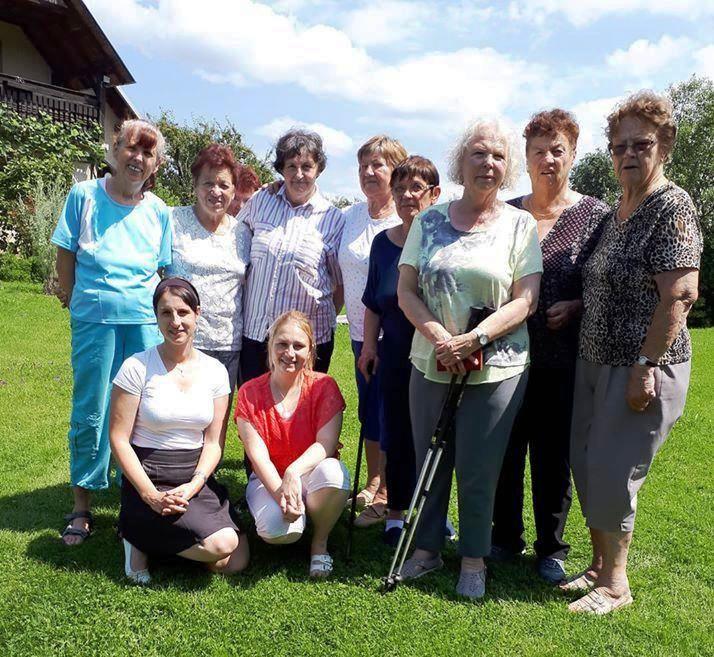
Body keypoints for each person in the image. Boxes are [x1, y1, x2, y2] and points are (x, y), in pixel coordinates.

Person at [565, 91, 702, 614]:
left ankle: (615, 584)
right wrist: (576, 305)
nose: (628, 154)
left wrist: (646, 366)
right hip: (594, 357)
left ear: (664, 145)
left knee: (614, 470)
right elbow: (608, 279)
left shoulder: (672, 206)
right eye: (619, 146)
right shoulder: (618, 209)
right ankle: (598, 566)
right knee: (586, 463)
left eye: (640, 144)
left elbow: (680, 294)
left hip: (641, 364)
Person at [396, 119, 543, 599]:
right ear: (461, 162)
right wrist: (441, 337)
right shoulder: (428, 222)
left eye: (498, 155)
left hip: (497, 366)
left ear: (508, 167)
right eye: (479, 153)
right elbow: (406, 291)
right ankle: (426, 549)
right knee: (430, 459)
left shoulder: (520, 224)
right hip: (431, 359)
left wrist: (475, 338)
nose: (488, 163)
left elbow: (526, 299)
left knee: (480, 466)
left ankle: (474, 559)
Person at [490, 109, 610, 583]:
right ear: (526, 157)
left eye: (558, 150)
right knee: (504, 448)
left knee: (552, 455)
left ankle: (551, 547)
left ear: (573, 154)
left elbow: (608, 282)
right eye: (538, 151)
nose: (548, 159)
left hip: (562, 359)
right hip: (506, 354)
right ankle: (504, 537)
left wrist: (577, 305)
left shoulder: (595, 215)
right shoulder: (506, 213)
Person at [51, 119, 172, 546]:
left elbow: (164, 271)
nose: (138, 159)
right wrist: (72, 298)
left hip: (143, 324)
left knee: (142, 411)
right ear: (115, 150)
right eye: (131, 148)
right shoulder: (83, 196)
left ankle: (133, 500)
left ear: (156, 164)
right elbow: (65, 253)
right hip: (94, 321)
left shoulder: (158, 211)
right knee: (91, 408)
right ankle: (81, 505)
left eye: (147, 153)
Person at [110, 278, 248, 583]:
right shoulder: (136, 367)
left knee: (233, 560)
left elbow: (213, 443)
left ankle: (143, 537)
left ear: (197, 313)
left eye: (183, 312)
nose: (175, 322)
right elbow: (118, 439)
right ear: (156, 317)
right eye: (166, 313)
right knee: (220, 545)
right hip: (148, 475)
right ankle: (136, 535)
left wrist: (195, 484)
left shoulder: (215, 371)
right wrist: (150, 495)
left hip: (193, 476)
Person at [358, 155, 441, 545]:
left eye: (416, 188)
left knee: (432, 436)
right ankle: (395, 512)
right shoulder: (382, 244)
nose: (407, 195)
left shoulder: (445, 242)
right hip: (393, 355)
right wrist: (367, 348)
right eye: (401, 188)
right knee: (396, 432)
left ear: (433, 195)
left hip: (436, 355)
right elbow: (372, 303)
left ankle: (433, 513)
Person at [235, 311, 350, 577]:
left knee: (334, 474)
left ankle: (319, 543)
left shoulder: (325, 386)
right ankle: (301, 513)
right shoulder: (249, 392)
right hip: (267, 479)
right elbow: (258, 457)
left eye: (298, 346)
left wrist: (293, 473)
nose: (290, 353)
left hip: (310, 473)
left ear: (310, 351)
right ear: (270, 346)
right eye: (282, 344)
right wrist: (281, 495)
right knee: (279, 532)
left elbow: (326, 444)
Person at [338, 135, 408, 526]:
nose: (368, 172)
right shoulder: (350, 216)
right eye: (363, 165)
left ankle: (389, 494)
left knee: (390, 411)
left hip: (394, 334)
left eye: (377, 164)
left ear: (396, 170)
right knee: (368, 410)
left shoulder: (405, 219)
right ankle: (373, 481)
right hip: (358, 332)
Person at [238, 129, 344, 382]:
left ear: (318, 169)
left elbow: (339, 284)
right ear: (281, 169)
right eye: (291, 166)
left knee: (302, 406)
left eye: (307, 166)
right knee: (254, 404)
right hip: (256, 335)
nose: (299, 174)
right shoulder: (261, 201)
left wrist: (320, 321)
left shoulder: (333, 219)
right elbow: (235, 242)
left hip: (305, 343)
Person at [166, 144, 251, 394]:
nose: (216, 191)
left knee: (217, 416)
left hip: (227, 346)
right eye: (208, 183)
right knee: (176, 413)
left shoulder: (244, 232)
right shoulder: (172, 220)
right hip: (179, 339)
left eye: (224, 185)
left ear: (233, 189)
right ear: (195, 185)